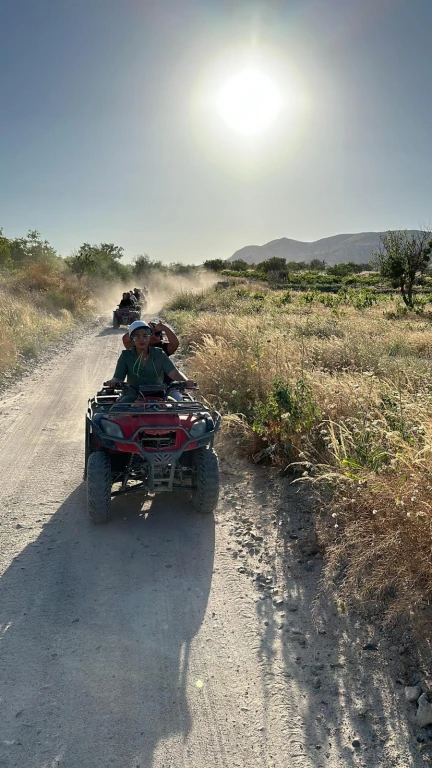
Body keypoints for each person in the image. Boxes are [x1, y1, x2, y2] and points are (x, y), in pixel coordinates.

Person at [106, 321, 195, 403]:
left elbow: (174, 373)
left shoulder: (159, 353)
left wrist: (186, 381)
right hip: (132, 396)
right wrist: (113, 381)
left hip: (159, 395)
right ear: (132, 339)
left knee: (175, 409)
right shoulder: (126, 355)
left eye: (145, 336)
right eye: (137, 336)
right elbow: (118, 377)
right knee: (118, 411)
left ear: (149, 337)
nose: (141, 339)